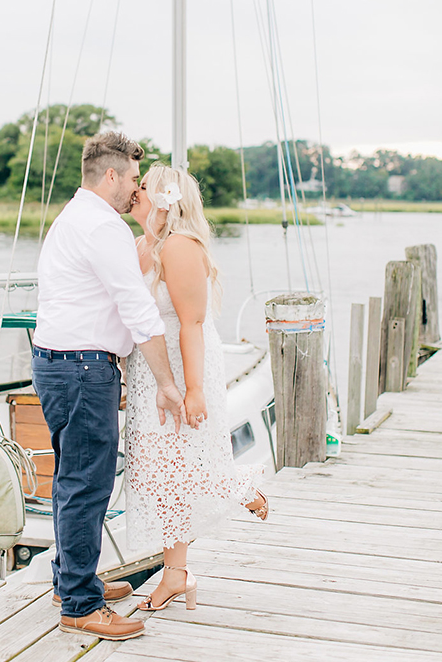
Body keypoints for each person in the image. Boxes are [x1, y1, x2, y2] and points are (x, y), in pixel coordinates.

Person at [31, 132, 188, 642]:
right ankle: (80, 605)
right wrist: (167, 383)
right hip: (82, 369)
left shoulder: (71, 218)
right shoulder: (102, 227)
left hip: (56, 362)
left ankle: (69, 580)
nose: (135, 191)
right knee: (87, 484)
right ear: (112, 175)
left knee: (70, 478)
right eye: (133, 181)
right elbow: (138, 312)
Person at [125, 165, 268, 612]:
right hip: (150, 369)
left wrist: (193, 390)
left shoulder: (181, 248)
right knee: (157, 469)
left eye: (142, 187)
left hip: (184, 365)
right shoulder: (139, 247)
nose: (134, 192)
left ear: (165, 199)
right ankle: (176, 573)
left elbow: (191, 322)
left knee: (175, 465)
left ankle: (239, 485)